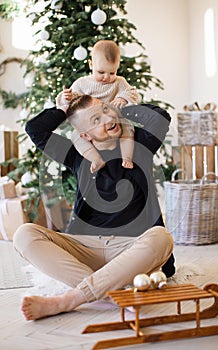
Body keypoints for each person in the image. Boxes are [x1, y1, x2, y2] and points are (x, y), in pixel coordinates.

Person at [13, 95, 176, 321]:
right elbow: (35, 129)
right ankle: (107, 294)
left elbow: (161, 118)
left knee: (162, 237)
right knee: (24, 234)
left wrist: (124, 107)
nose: (108, 118)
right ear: (85, 135)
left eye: (106, 110)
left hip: (130, 248)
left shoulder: (140, 145)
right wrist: (61, 110)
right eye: (96, 119)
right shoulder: (76, 155)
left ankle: (70, 299)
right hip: (85, 247)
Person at [56, 40, 141, 173]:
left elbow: (133, 93)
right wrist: (64, 97)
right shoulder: (82, 83)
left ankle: (127, 158)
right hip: (91, 126)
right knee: (76, 136)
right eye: (101, 72)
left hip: (114, 120)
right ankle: (96, 159)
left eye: (112, 73)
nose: (106, 77)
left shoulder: (119, 82)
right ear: (91, 64)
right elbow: (70, 104)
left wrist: (122, 97)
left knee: (128, 127)